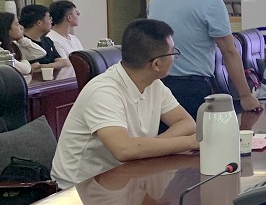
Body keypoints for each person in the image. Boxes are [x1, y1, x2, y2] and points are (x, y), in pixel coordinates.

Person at [51, 19, 200, 189]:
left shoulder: (154, 84)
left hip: (126, 177)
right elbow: (123, 149)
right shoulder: (103, 91)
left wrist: (148, 147)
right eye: (173, 53)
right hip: (78, 189)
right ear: (157, 64)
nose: (174, 58)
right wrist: (190, 142)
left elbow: (186, 123)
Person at [148, 0, 261, 117]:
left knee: (166, 134)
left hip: (157, 85)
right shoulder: (211, 2)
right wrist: (246, 96)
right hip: (192, 89)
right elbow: (229, 52)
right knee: (193, 134)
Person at [16, 4, 71, 76]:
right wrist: (54, 65)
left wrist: (46, 66)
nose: (51, 21)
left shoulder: (47, 40)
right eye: (49, 18)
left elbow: (63, 62)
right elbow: (34, 68)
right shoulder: (23, 43)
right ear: (39, 23)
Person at [47, 0, 84, 80]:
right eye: (76, 13)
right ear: (69, 17)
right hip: (63, 82)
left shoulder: (74, 39)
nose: (78, 15)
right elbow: (67, 65)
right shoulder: (51, 39)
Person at [0, 12, 32, 78]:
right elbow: (25, 69)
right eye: (17, 24)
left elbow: (41, 53)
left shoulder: (15, 45)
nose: (21, 27)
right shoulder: (1, 50)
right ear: (7, 29)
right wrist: (25, 61)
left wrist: (21, 39)